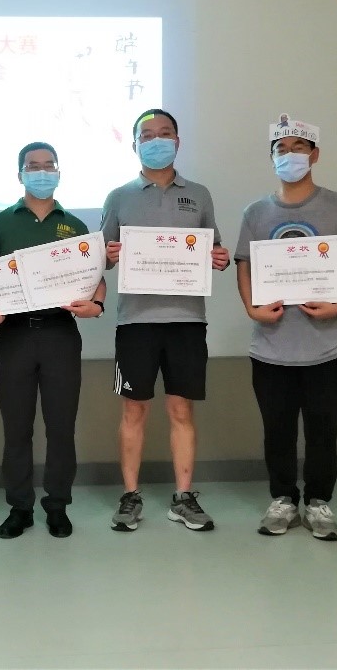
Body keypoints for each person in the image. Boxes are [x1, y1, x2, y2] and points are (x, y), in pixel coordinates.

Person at [235, 114, 337, 541]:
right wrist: (252, 310)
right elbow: (244, 266)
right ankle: (283, 500)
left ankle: (319, 503)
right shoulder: (256, 212)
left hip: (328, 348)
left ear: (315, 154)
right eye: (281, 148)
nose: (289, 155)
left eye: (298, 147)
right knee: (277, 432)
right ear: (271, 157)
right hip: (270, 349)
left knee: (323, 432)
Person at [100, 108, 230, 533]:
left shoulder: (200, 194)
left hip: (187, 319)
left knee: (180, 409)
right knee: (133, 409)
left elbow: (214, 248)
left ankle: (184, 497)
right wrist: (109, 255)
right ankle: (130, 495)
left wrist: (219, 258)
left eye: (165, 133)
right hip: (135, 322)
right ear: (134, 144)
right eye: (147, 135)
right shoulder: (119, 197)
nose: (157, 140)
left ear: (178, 141)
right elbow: (100, 256)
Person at [0, 142, 106, 539]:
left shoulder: (75, 226)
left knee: (61, 427)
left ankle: (57, 505)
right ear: (20, 174)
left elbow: (96, 279)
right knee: (17, 428)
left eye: (49, 165)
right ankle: (19, 507)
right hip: (14, 335)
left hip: (60, 335)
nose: (42, 171)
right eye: (33, 166)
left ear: (59, 172)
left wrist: (97, 305)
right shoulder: (0, 223)